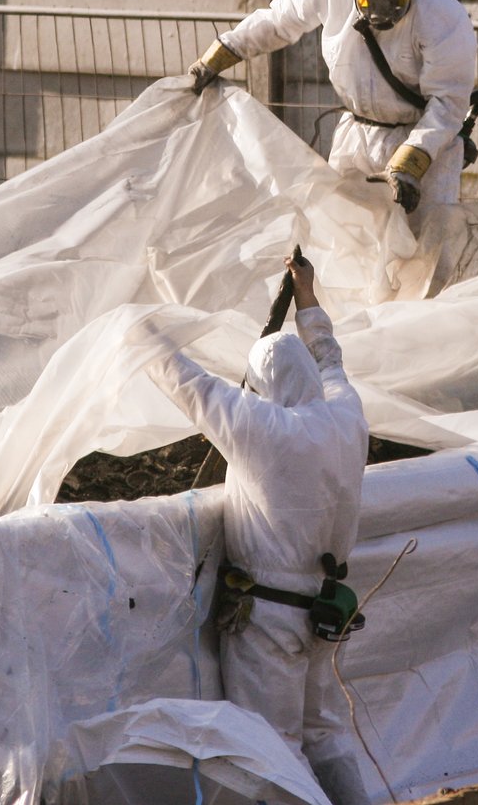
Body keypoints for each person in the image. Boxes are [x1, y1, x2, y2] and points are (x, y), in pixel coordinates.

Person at [132, 254, 371, 804]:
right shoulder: (347, 415)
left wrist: (135, 332)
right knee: (327, 734)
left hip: (268, 619)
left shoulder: (262, 427)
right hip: (326, 610)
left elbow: (189, 384)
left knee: (273, 748)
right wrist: (306, 294)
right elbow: (331, 358)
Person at [187, 0, 478, 215]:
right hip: (356, 137)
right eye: (369, 0)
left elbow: (447, 101)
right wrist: (218, 56)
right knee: (343, 240)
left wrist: (411, 162)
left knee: (427, 249)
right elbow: (278, 21)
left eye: (393, 0)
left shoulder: (442, 17)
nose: (380, 11)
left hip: (423, 140)